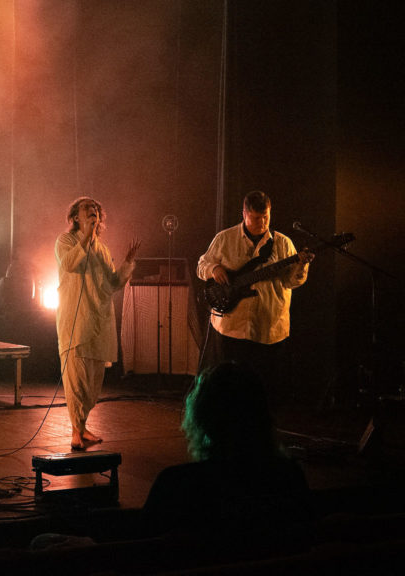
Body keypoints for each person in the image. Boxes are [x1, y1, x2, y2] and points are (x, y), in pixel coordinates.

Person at [143, 362, 314, 546]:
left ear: (203, 418)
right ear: (263, 416)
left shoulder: (175, 484)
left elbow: (144, 545)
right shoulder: (290, 476)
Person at [197, 190, 312, 402]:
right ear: (244, 214)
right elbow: (201, 265)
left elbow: (291, 282)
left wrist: (301, 266)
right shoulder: (225, 238)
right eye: (256, 218)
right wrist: (214, 269)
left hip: (269, 328)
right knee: (230, 389)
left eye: (266, 217)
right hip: (232, 326)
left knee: (263, 390)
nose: (262, 223)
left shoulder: (283, 243)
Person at [55, 196, 140, 450]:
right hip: (76, 322)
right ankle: (75, 432)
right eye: (87, 209)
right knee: (77, 380)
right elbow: (70, 264)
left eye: (95, 210)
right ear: (75, 217)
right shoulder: (65, 241)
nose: (93, 212)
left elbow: (113, 283)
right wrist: (86, 238)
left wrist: (127, 262)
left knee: (93, 383)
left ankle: (82, 426)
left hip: (99, 321)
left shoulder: (102, 248)